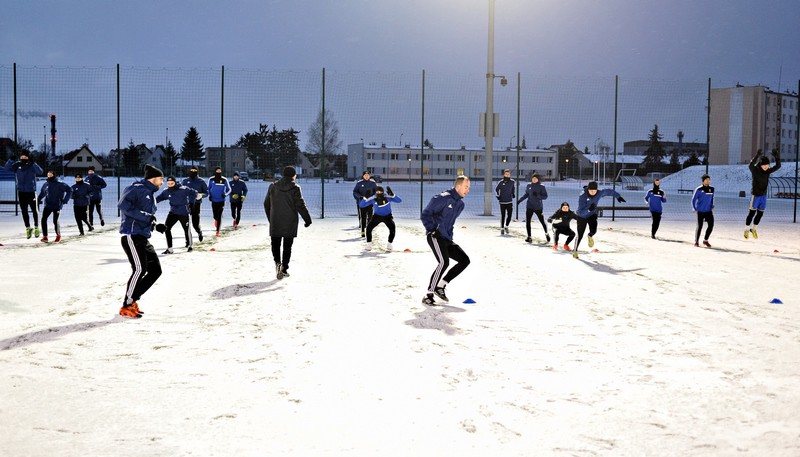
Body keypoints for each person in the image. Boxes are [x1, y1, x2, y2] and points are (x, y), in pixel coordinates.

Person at [118, 164, 164, 318]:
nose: (162, 182)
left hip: (143, 236)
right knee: (139, 270)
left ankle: (133, 300)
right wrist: (147, 217)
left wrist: (155, 225)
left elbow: (146, 215)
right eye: (160, 179)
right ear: (153, 178)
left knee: (156, 270)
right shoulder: (136, 188)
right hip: (132, 235)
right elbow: (123, 205)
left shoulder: (150, 194)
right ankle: (127, 305)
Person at [420, 176, 471, 306]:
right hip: (435, 235)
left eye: (468, 187)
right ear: (458, 186)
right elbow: (425, 214)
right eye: (466, 187)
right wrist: (432, 229)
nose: (468, 190)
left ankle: (441, 286)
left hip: (446, 238)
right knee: (443, 262)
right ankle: (428, 295)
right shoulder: (443, 197)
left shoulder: (460, 204)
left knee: (464, 260)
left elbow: (450, 223)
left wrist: (449, 236)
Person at [264, 166, 312, 280]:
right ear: (293, 176)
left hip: (275, 220)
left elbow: (266, 204)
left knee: (275, 244)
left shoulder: (273, 186)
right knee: (287, 246)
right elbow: (300, 205)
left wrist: (271, 218)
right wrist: (307, 219)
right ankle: (284, 268)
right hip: (290, 221)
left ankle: (277, 263)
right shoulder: (295, 188)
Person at [572, 181, 625, 259]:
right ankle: (575, 251)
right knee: (580, 235)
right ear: (588, 189)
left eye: (594, 191)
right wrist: (589, 209)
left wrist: (618, 196)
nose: (593, 192)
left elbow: (609, 191)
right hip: (581, 216)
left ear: (597, 190)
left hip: (592, 214)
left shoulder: (599, 193)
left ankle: (590, 235)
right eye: (591, 191)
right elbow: (580, 210)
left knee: (594, 230)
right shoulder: (583, 195)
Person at [3, 151, 43, 238]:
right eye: (22, 157)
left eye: (25, 157)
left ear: (28, 157)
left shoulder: (32, 165)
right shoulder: (17, 165)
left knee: (34, 211)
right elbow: (6, 169)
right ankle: (28, 228)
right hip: (21, 192)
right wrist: (10, 160)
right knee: (24, 211)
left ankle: (36, 227)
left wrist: (33, 163)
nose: (23, 158)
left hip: (31, 192)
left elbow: (40, 172)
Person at [744, 148, 781, 239]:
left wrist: (776, 157)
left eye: (767, 165)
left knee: (760, 214)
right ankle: (746, 229)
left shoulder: (768, 171)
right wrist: (757, 155)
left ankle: (754, 229)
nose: (766, 167)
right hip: (755, 195)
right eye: (764, 165)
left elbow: (778, 166)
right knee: (752, 213)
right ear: (761, 165)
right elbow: (750, 165)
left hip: (763, 196)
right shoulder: (755, 170)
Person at [155, 176, 197, 254]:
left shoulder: (183, 189)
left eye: (172, 183)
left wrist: (191, 203)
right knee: (166, 228)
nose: (170, 185)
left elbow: (194, 193)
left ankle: (190, 246)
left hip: (183, 213)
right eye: (168, 183)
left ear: (175, 182)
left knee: (186, 230)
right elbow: (159, 198)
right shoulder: (166, 191)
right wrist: (151, 202)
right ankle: (170, 248)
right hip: (173, 213)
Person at [359, 185, 401, 251]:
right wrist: (365, 198)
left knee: (392, 229)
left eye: (380, 191)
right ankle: (369, 245)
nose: (379, 193)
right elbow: (361, 205)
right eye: (377, 191)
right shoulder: (373, 199)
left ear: (383, 192)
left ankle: (389, 244)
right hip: (377, 216)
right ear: (375, 192)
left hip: (387, 217)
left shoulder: (387, 197)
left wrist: (393, 195)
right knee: (369, 228)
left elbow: (399, 201)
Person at [37, 170, 72, 243]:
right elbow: (43, 193)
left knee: (55, 221)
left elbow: (70, 190)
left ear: (54, 175)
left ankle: (58, 235)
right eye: (48, 175)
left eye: (51, 175)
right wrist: (38, 199)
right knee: (43, 220)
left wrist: (65, 200)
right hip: (48, 205)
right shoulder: (46, 184)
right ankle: (45, 237)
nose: (49, 176)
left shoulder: (60, 184)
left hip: (57, 205)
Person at [517, 173, 549, 243]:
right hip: (529, 206)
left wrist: (538, 195)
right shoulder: (529, 186)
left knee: (542, 221)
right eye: (533, 178)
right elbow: (526, 194)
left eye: (535, 178)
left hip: (538, 207)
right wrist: (520, 200)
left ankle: (547, 233)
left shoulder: (541, 187)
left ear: (538, 179)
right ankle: (529, 237)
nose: (534, 179)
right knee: (528, 221)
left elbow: (545, 196)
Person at [182, 165, 209, 241]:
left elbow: (207, 192)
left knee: (195, 224)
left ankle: (199, 232)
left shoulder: (201, 181)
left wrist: (201, 195)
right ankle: (188, 240)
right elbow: (180, 191)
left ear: (197, 172)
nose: (193, 172)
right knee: (186, 223)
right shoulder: (185, 181)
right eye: (192, 170)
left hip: (196, 204)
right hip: (186, 204)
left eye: (195, 171)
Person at [692, 174, 715, 247]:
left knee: (711, 225)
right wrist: (694, 208)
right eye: (706, 180)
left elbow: (712, 198)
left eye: (709, 179)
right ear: (703, 181)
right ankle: (696, 241)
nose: (708, 181)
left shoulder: (712, 189)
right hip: (700, 211)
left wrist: (712, 205)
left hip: (708, 211)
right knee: (700, 226)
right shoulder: (698, 189)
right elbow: (693, 199)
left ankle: (705, 240)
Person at [352, 171, 377, 237]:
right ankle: (362, 230)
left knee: (370, 216)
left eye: (367, 175)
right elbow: (355, 192)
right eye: (365, 175)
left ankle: (369, 229)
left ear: (369, 176)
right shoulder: (359, 183)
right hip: (361, 203)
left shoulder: (373, 183)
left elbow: (376, 191)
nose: (366, 176)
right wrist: (359, 197)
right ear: (363, 176)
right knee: (363, 217)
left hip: (370, 202)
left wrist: (373, 197)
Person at [207, 166, 231, 236]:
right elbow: (208, 189)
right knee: (215, 216)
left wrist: (225, 194)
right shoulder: (211, 179)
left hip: (221, 201)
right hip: (214, 200)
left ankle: (217, 231)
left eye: (219, 171)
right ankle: (216, 220)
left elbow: (229, 189)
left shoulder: (224, 179)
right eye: (217, 171)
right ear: (215, 171)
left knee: (219, 215)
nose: (218, 172)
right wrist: (210, 195)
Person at [495, 169, 516, 234]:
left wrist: (513, 194)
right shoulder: (501, 182)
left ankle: (506, 226)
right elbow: (497, 189)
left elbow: (513, 188)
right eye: (506, 174)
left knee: (509, 215)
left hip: (509, 201)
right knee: (503, 215)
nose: (507, 175)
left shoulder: (512, 182)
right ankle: (502, 228)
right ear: (504, 174)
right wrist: (498, 196)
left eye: (508, 174)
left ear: (510, 174)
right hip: (502, 201)